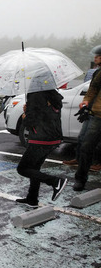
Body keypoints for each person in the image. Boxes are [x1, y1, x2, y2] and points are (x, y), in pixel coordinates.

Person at [16, 88, 68, 207]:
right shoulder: (52, 94)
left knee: (23, 169)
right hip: (53, 137)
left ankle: (56, 182)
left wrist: (25, 114)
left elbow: (30, 122)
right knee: (34, 169)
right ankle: (32, 199)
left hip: (40, 139)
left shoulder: (35, 95)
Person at [73, 45, 101, 191]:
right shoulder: (97, 73)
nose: (95, 58)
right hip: (97, 116)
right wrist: (86, 101)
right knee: (86, 147)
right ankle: (80, 180)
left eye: (97, 56)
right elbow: (92, 90)